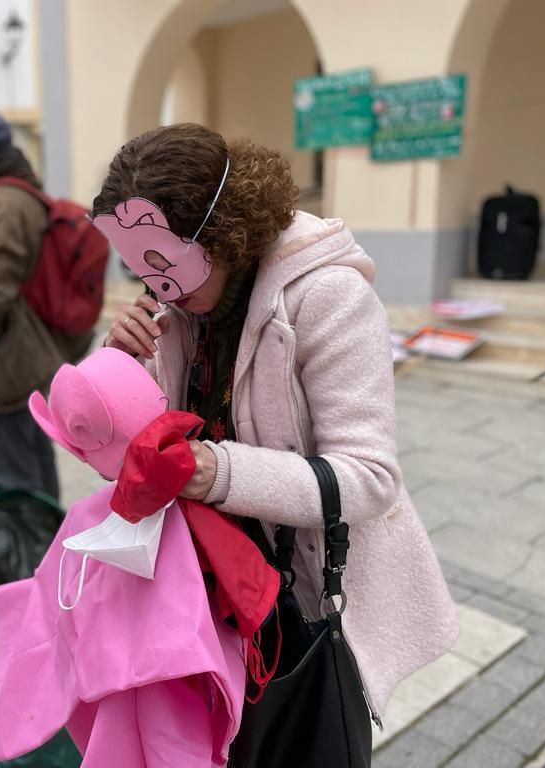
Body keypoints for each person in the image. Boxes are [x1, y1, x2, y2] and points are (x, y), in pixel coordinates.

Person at [96, 124, 458, 737]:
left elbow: (370, 480)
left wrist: (217, 471)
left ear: (221, 235)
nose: (151, 282)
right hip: (205, 587)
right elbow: (139, 450)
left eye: (161, 261)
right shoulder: (179, 308)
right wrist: (120, 372)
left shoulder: (330, 297)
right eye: (133, 265)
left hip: (296, 597)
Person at [0, 108, 89, 501]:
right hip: (31, 349)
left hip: (5, 355)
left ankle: (30, 557)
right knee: (35, 452)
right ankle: (50, 548)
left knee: (13, 471)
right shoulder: (28, 193)